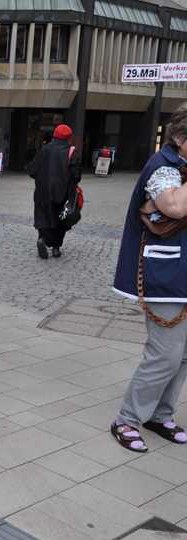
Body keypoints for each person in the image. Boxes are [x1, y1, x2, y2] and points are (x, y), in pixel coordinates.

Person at [110, 102, 187, 453]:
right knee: (165, 354)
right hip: (165, 273)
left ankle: (160, 414)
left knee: (183, 355)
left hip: (182, 272)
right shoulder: (163, 165)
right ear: (180, 137)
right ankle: (127, 419)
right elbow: (173, 206)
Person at [29, 124, 82, 259]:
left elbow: (32, 171)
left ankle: (42, 240)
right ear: (68, 136)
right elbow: (77, 175)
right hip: (62, 192)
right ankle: (56, 248)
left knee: (43, 216)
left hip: (43, 192)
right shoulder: (71, 151)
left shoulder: (44, 150)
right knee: (61, 218)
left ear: (54, 134)